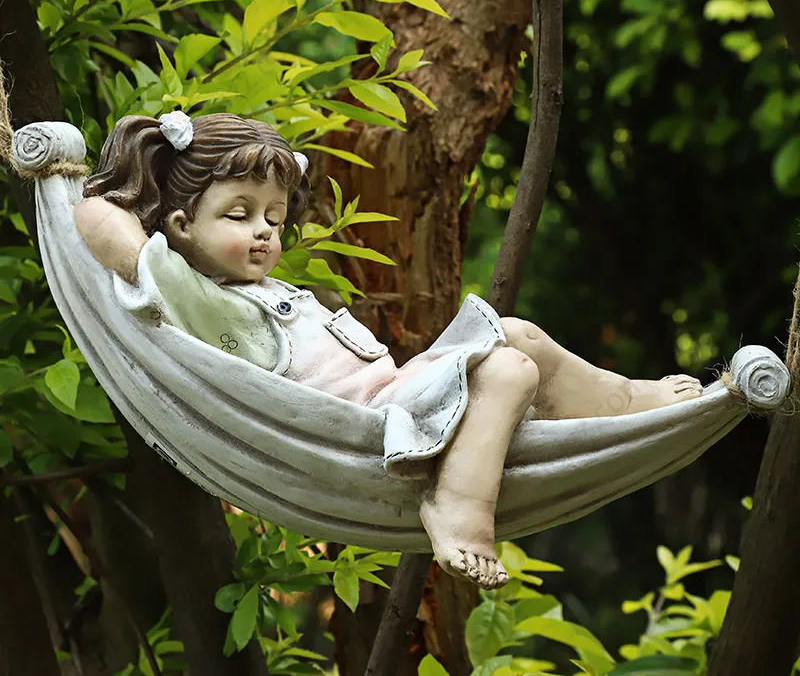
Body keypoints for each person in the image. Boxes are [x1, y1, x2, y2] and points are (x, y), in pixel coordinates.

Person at [75, 111, 703, 589]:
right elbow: (100, 225)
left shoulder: (266, 289)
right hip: (373, 424)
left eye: (273, 215)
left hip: (402, 388)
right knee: (508, 369)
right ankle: (458, 505)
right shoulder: (203, 300)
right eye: (238, 215)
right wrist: (115, 180)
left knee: (520, 335)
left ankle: (625, 401)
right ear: (182, 228)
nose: (265, 230)